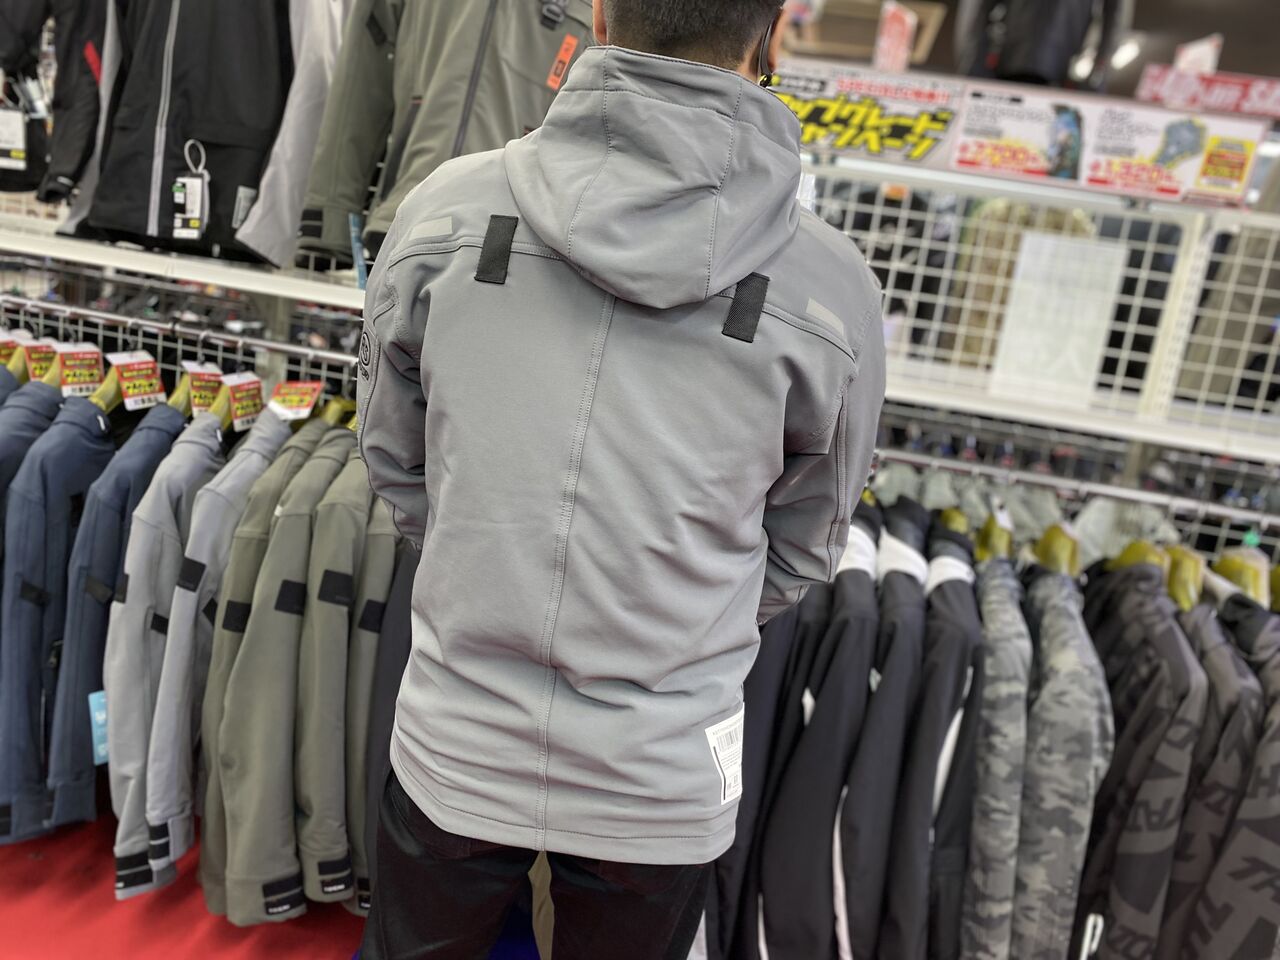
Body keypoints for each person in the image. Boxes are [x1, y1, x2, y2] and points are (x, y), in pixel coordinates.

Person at [355, 0, 885, 955]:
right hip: (662, 770)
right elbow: (806, 543)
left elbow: (396, 461)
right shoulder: (832, 288)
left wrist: (483, 557)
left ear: (597, 13)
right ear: (771, 35)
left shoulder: (443, 210)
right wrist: (683, 610)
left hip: (458, 729)